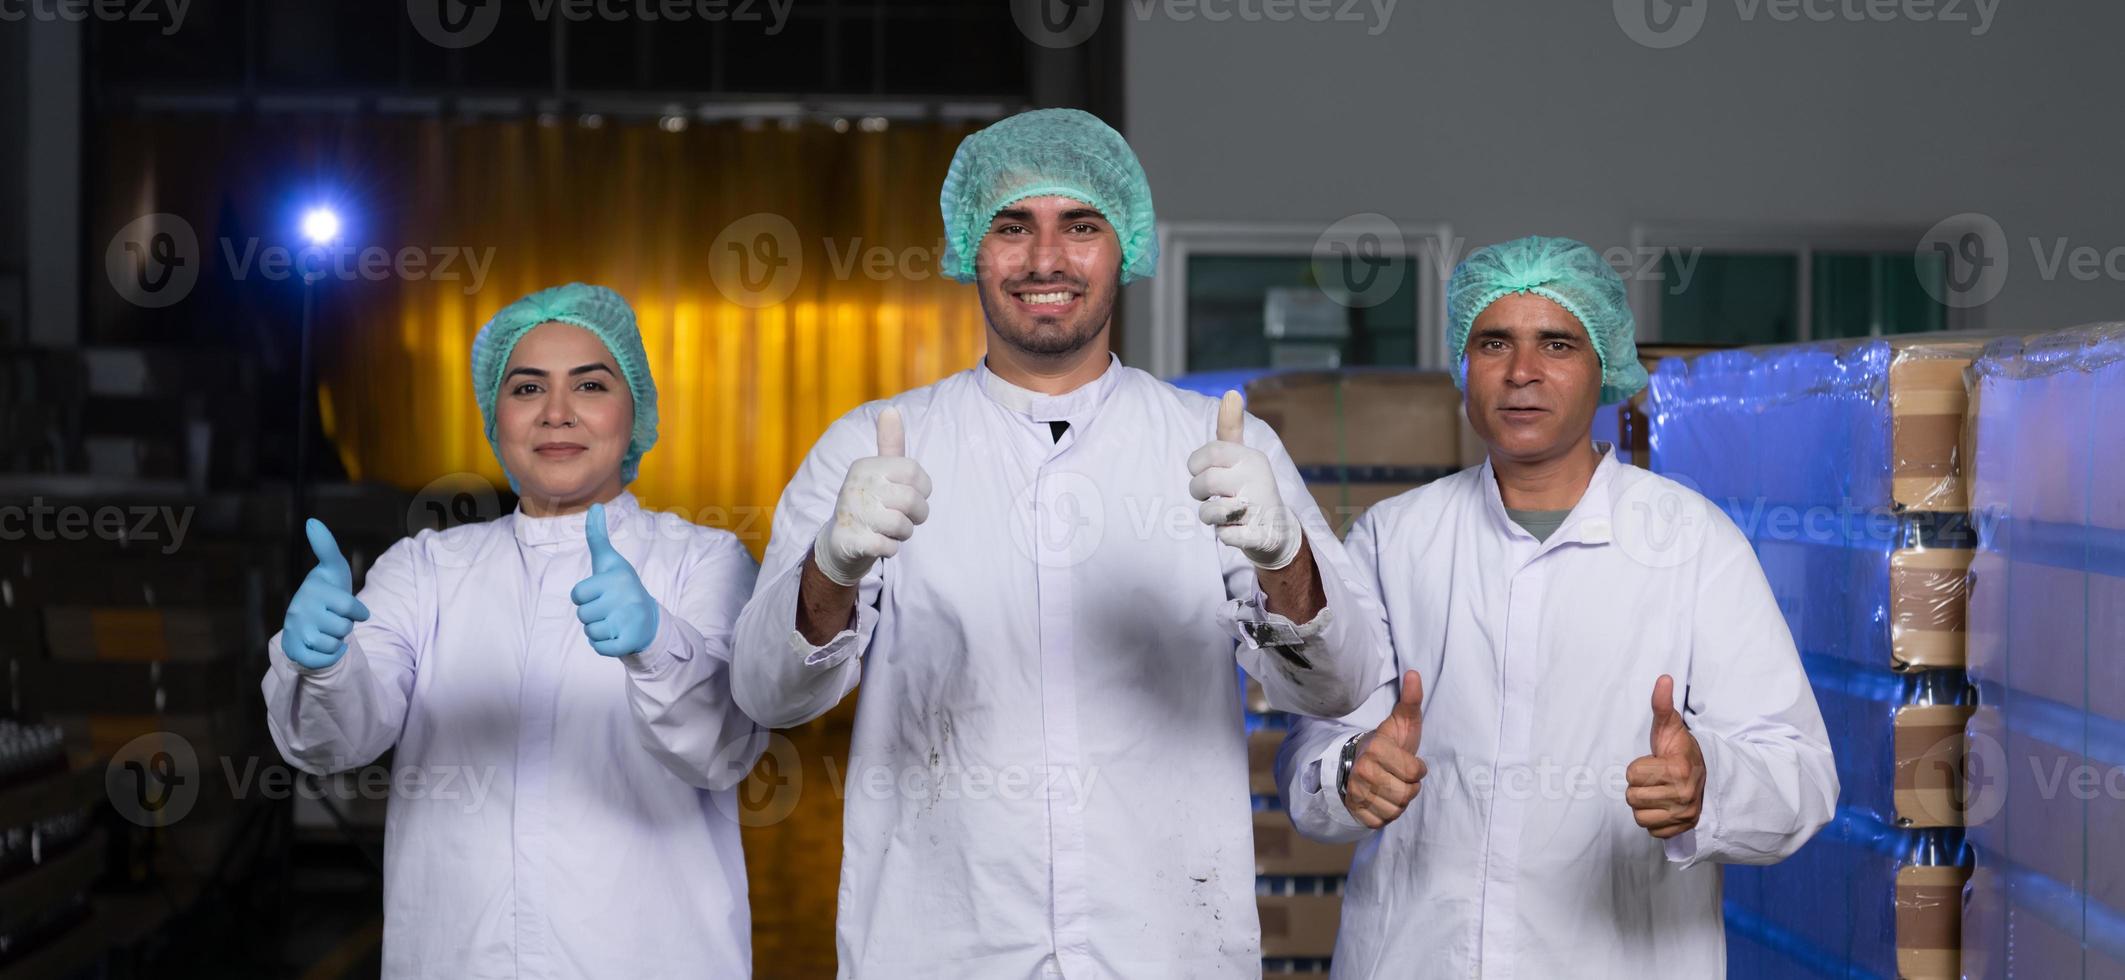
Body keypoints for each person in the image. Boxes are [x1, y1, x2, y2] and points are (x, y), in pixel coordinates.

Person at [729, 108, 1390, 978]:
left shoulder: (1222, 447)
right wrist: (831, 568)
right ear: (971, 246)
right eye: (1013, 227)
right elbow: (766, 696)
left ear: (1124, 249)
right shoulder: (873, 446)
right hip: (940, 941)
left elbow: (1342, 683)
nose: (1045, 261)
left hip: (1162, 942)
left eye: (1080, 226)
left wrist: (1284, 559)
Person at [1274, 236, 1838, 978]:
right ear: (1461, 365)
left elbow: (1801, 777)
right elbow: (1308, 754)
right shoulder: (1393, 538)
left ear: (1602, 365)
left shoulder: (1690, 542)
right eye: (1493, 342)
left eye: (1557, 344)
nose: (1521, 373)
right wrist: (1350, 771)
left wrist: (1709, 784)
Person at [262, 284, 767, 977]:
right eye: (527, 388)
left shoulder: (704, 562)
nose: (556, 413)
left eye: (589, 385)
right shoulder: (426, 569)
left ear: (636, 410)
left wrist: (655, 644)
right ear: (494, 418)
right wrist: (323, 665)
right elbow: (336, 742)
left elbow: (721, 750)